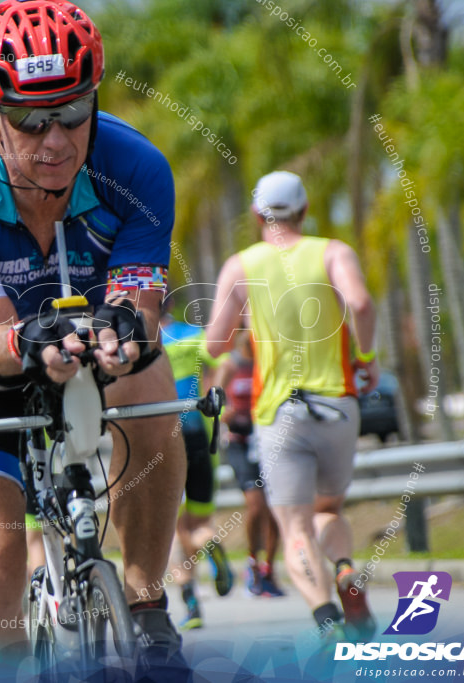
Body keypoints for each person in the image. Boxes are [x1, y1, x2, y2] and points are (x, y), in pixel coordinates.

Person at [0, 0, 187, 670]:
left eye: (73, 112)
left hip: (77, 314)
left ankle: (145, 606)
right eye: (29, 120)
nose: (54, 139)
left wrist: (124, 329)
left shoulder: (138, 169)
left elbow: (138, 307)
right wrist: (32, 343)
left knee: (151, 380)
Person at [206, 170, 379, 641]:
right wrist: (365, 358)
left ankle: (327, 621)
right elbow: (361, 305)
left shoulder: (241, 266)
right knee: (329, 511)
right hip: (338, 404)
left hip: (279, 413)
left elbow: (216, 343)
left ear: (257, 215)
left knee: (295, 526)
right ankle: (344, 569)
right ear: (304, 211)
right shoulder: (333, 252)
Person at [160, 306, 234, 630]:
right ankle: (209, 543)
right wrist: (216, 396)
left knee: (176, 529)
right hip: (198, 433)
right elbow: (226, 362)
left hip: (163, 441)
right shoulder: (190, 335)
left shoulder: (141, 339)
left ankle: (191, 605)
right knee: (200, 521)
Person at [210, 328, 284, 598]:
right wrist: (225, 411)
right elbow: (214, 398)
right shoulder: (231, 365)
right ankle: (252, 562)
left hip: (268, 440)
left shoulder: (271, 363)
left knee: (278, 508)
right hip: (240, 443)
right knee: (256, 505)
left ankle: (269, 570)